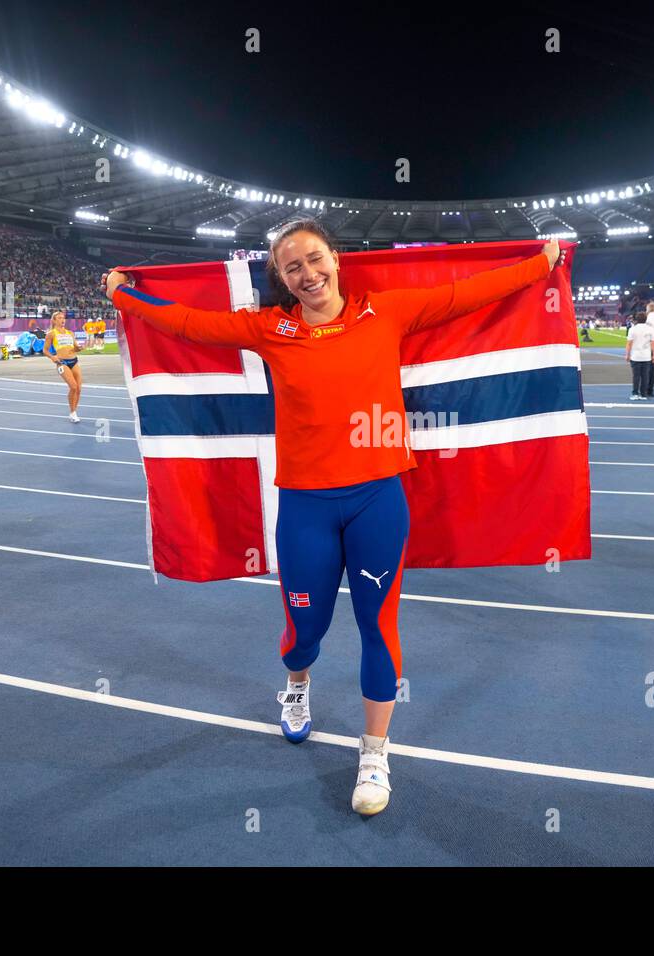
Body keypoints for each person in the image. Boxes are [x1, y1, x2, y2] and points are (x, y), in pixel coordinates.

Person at [103, 221, 563, 816]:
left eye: (314, 259)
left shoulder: (386, 314)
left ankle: (375, 752)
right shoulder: (271, 329)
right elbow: (189, 323)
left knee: (380, 627)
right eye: (292, 268)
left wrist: (540, 264)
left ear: (336, 260)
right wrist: (122, 295)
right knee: (305, 632)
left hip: (378, 501)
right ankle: (297, 689)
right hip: (305, 507)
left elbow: (465, 294)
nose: (308, 274)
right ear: (282, 280)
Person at [44, 311, 83, 423]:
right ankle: (72, 412)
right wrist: (52, 357)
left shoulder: (70, 333)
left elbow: (75, 348)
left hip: (74, 361)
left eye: (63, 318)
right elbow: (45, 350)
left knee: (79, 389)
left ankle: (74, 412)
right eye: (59, 318)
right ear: (54, 320)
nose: (62, 320)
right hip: (62, 362)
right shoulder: (51, 334)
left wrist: (79, 348)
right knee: (73, 387)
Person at [625, 313, 654, 401]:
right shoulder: (650, 329)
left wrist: (627, 354)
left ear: (637, 320)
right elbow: (653, 343)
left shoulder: (632, 329)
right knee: (645, 376)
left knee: (636, 376)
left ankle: (635, 393)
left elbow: (629, 343)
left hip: (635, 356)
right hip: (646, 356)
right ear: (646, 319)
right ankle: (643, 394)